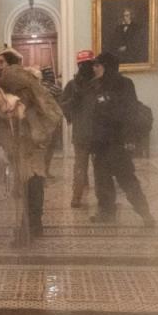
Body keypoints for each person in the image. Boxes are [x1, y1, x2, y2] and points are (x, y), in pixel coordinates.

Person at [0, 47, 62, 244]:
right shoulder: (19, 80)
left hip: (27, 140)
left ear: (11, 63)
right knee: (32, 182)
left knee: (27, 185)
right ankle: (35, 225)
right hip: (28, 140)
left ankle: (27, 229)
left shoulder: (14, 78)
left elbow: (15, 110)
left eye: (1, 63)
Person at [88, 52, 155, 227]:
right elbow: (92, 115)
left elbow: (130, 112)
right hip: (100, 143)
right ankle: (106, 212)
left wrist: (129, 139)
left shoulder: (125, 84)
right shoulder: (95, 85)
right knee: (102, 181)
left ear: (107, 66)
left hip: (118, 143)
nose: (94, 68)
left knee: (127, 180)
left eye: (98, 65)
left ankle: (145, 213)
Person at [60, 50, 98, 207]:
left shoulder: (100, 83)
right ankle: (76, 196)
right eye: (82, 65)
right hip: (83, 132)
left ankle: (101, 198)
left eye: (87, 64)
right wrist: (72, 106)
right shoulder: (72, 85)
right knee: (80, 166)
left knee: (97, 167)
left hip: (98, 132)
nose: (85, 67)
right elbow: (63, 105)